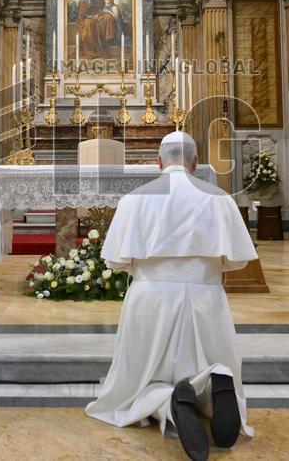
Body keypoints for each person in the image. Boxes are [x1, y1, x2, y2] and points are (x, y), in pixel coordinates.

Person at [85, 131, 256, 461]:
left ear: (158, 161)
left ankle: (171, 405)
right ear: (195, 162)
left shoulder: (135, 198)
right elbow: (236, 259)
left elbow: (115, 259)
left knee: (142, 380)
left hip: (150, 299)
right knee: (205, 357)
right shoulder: (219, 198)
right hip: (206, 297)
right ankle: (215, 382)